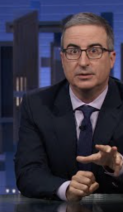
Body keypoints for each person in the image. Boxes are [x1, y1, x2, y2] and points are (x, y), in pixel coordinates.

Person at [14, 12, 123, 202]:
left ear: (111, 58)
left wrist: (119, 168)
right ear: (63, 58)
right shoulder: (37, 105)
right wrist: (66, 189)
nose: (83, 63)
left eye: (94, 51)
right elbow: (28, 172)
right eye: (73, 52)